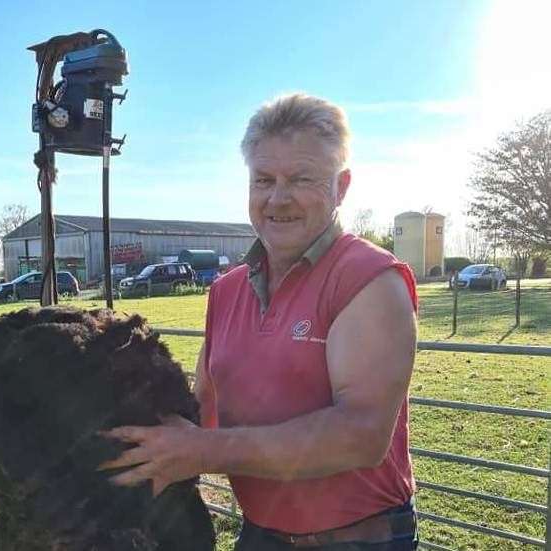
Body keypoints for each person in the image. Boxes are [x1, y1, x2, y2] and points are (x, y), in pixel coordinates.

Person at [100, 94, 418, 550]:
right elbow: (200, 413)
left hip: (356, 539)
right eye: (263, 179)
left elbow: (361, 436)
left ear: (341, 186)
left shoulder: (368, 279)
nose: (278, 198)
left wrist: (199, 452)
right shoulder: (225, 291)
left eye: (301, 178)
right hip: (261, 534)